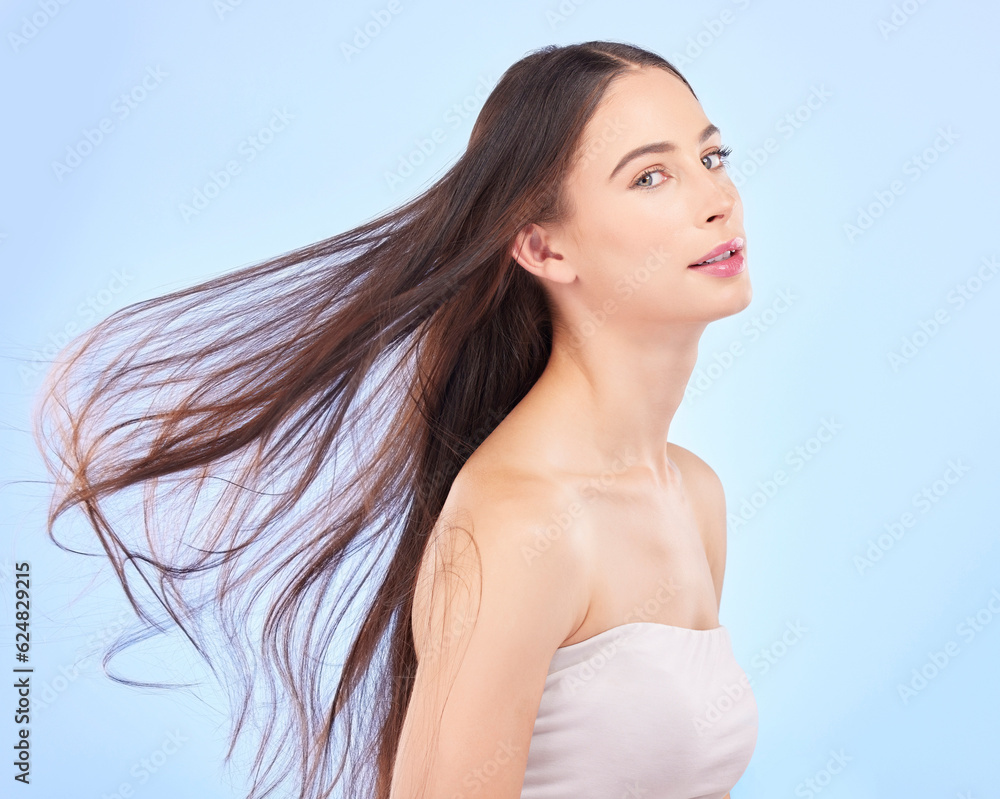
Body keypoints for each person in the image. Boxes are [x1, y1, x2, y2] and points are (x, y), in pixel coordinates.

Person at [33, 40, 756, 799]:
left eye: (712, 157)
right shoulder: (524, 520)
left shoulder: (694, 495)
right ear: (543, 247)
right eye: (650, 176)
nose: (718, 199)